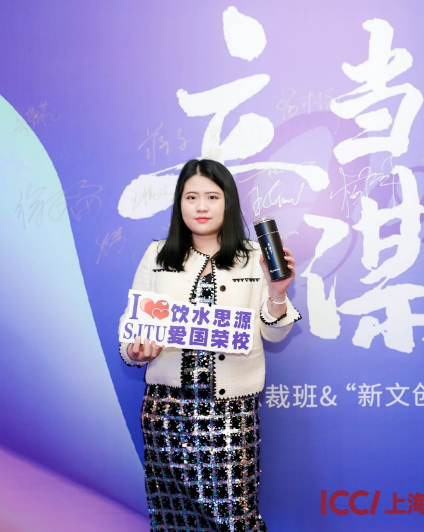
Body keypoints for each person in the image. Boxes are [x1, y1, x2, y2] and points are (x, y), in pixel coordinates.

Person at [119, 158, 301, 532]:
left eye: (212, 197)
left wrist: (277, 293)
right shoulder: (157, 255)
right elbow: (131, 328)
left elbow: (274, 333)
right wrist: (134, 350)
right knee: (175, 521)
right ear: (179, 203)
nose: (201, 206)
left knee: (236, 519)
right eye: (191, 197)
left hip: (231, 413)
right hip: (167, 413)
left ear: (228, 202)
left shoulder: (254, 257)